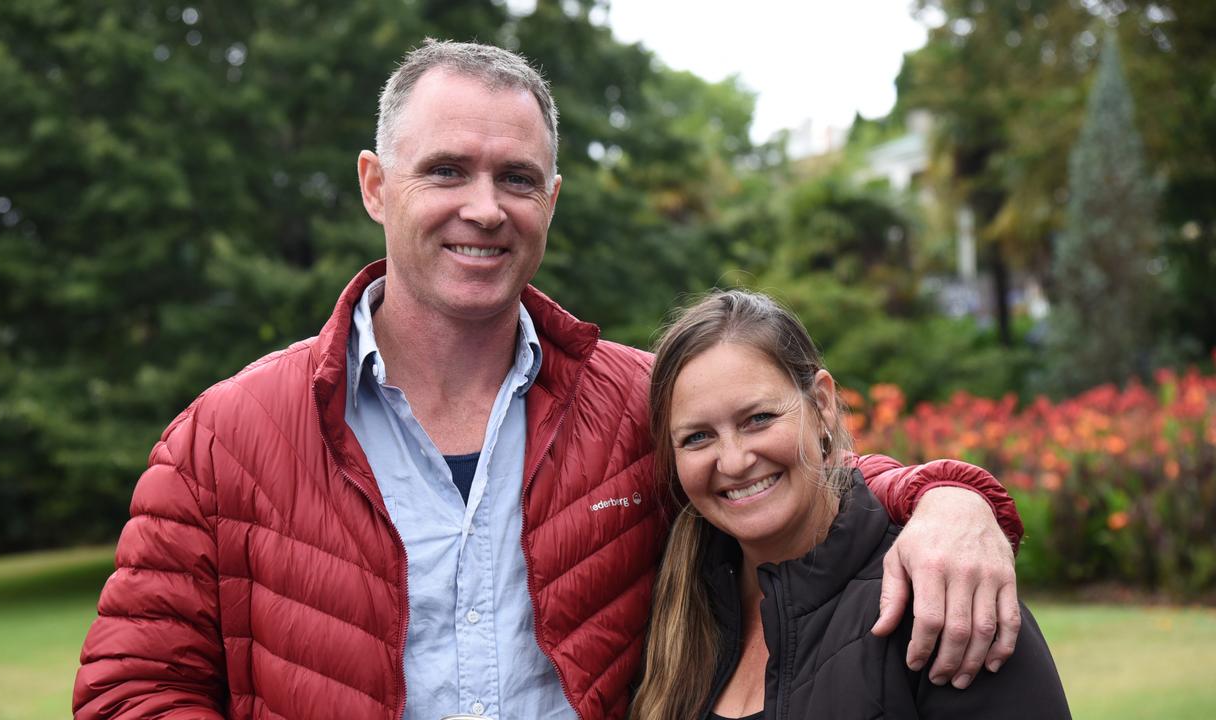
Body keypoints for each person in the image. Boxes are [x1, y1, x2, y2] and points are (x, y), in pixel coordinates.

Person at [74, 41, 1026, 720]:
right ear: (374, 185)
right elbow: (128, 691)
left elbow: (793, 471)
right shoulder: (224, 436)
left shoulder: (637, 404)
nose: (483, 209)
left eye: (517, 179)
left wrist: (949, 497)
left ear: (552, 200)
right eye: (445, 170)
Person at [631, 290, 1070, 720]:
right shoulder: (674, 611)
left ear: (821, 405)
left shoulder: (940, 598)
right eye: (698, 437)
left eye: (758, 419)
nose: (733, 460)